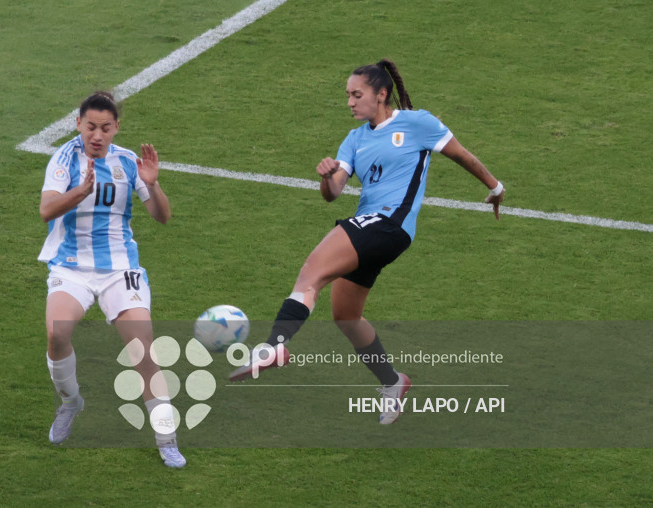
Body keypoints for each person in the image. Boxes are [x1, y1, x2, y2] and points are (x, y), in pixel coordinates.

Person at [229, 59, 505, 425]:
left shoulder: (417, 123)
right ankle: (393, 382)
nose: (350, 102)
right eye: (347, 95)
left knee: (311, 273)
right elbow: (334, 192)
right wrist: (327, 177)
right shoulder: (354, 139)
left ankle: (274, 347)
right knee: (346, 316)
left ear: (381, 94)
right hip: (374, 228)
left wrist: (495, 186)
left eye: (356, 94)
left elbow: (463, 156)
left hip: (389, 223)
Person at [38, 91, 185, 468]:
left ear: (116, 127)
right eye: (90, 127)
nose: (97, 136)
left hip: (120, 269)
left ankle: (167, 439)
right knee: (57, 333)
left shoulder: (128, 162)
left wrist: (152, 184)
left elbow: (162, 216)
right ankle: (71, 403)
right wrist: (80, 191)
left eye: (105, 128)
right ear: (78, 124)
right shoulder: (64, 158)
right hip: (71, 266)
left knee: (144, 350)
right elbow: (46, 210)